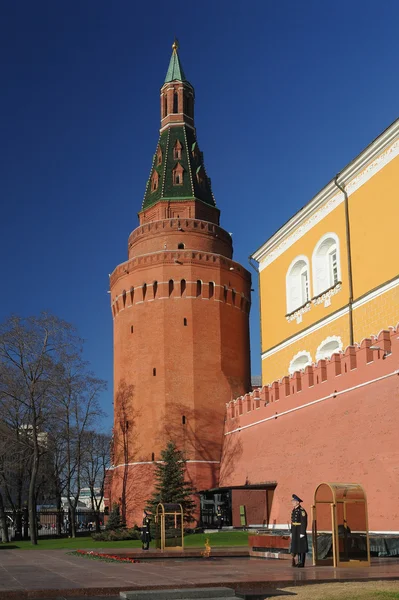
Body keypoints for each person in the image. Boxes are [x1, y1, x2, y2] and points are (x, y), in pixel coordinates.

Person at [290, 494, 308, 568]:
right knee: (297, 546)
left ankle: (302, 562)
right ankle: (298, 561)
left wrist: (302, 532)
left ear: (297, 502)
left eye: (294, 501)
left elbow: (304, 522)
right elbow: (292, 522)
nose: (292, 502)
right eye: (292, 501)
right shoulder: (294, 510)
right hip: (295, 530)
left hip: (299, 530)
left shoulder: (302, 511)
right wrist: (291, 531)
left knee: (302, 547)